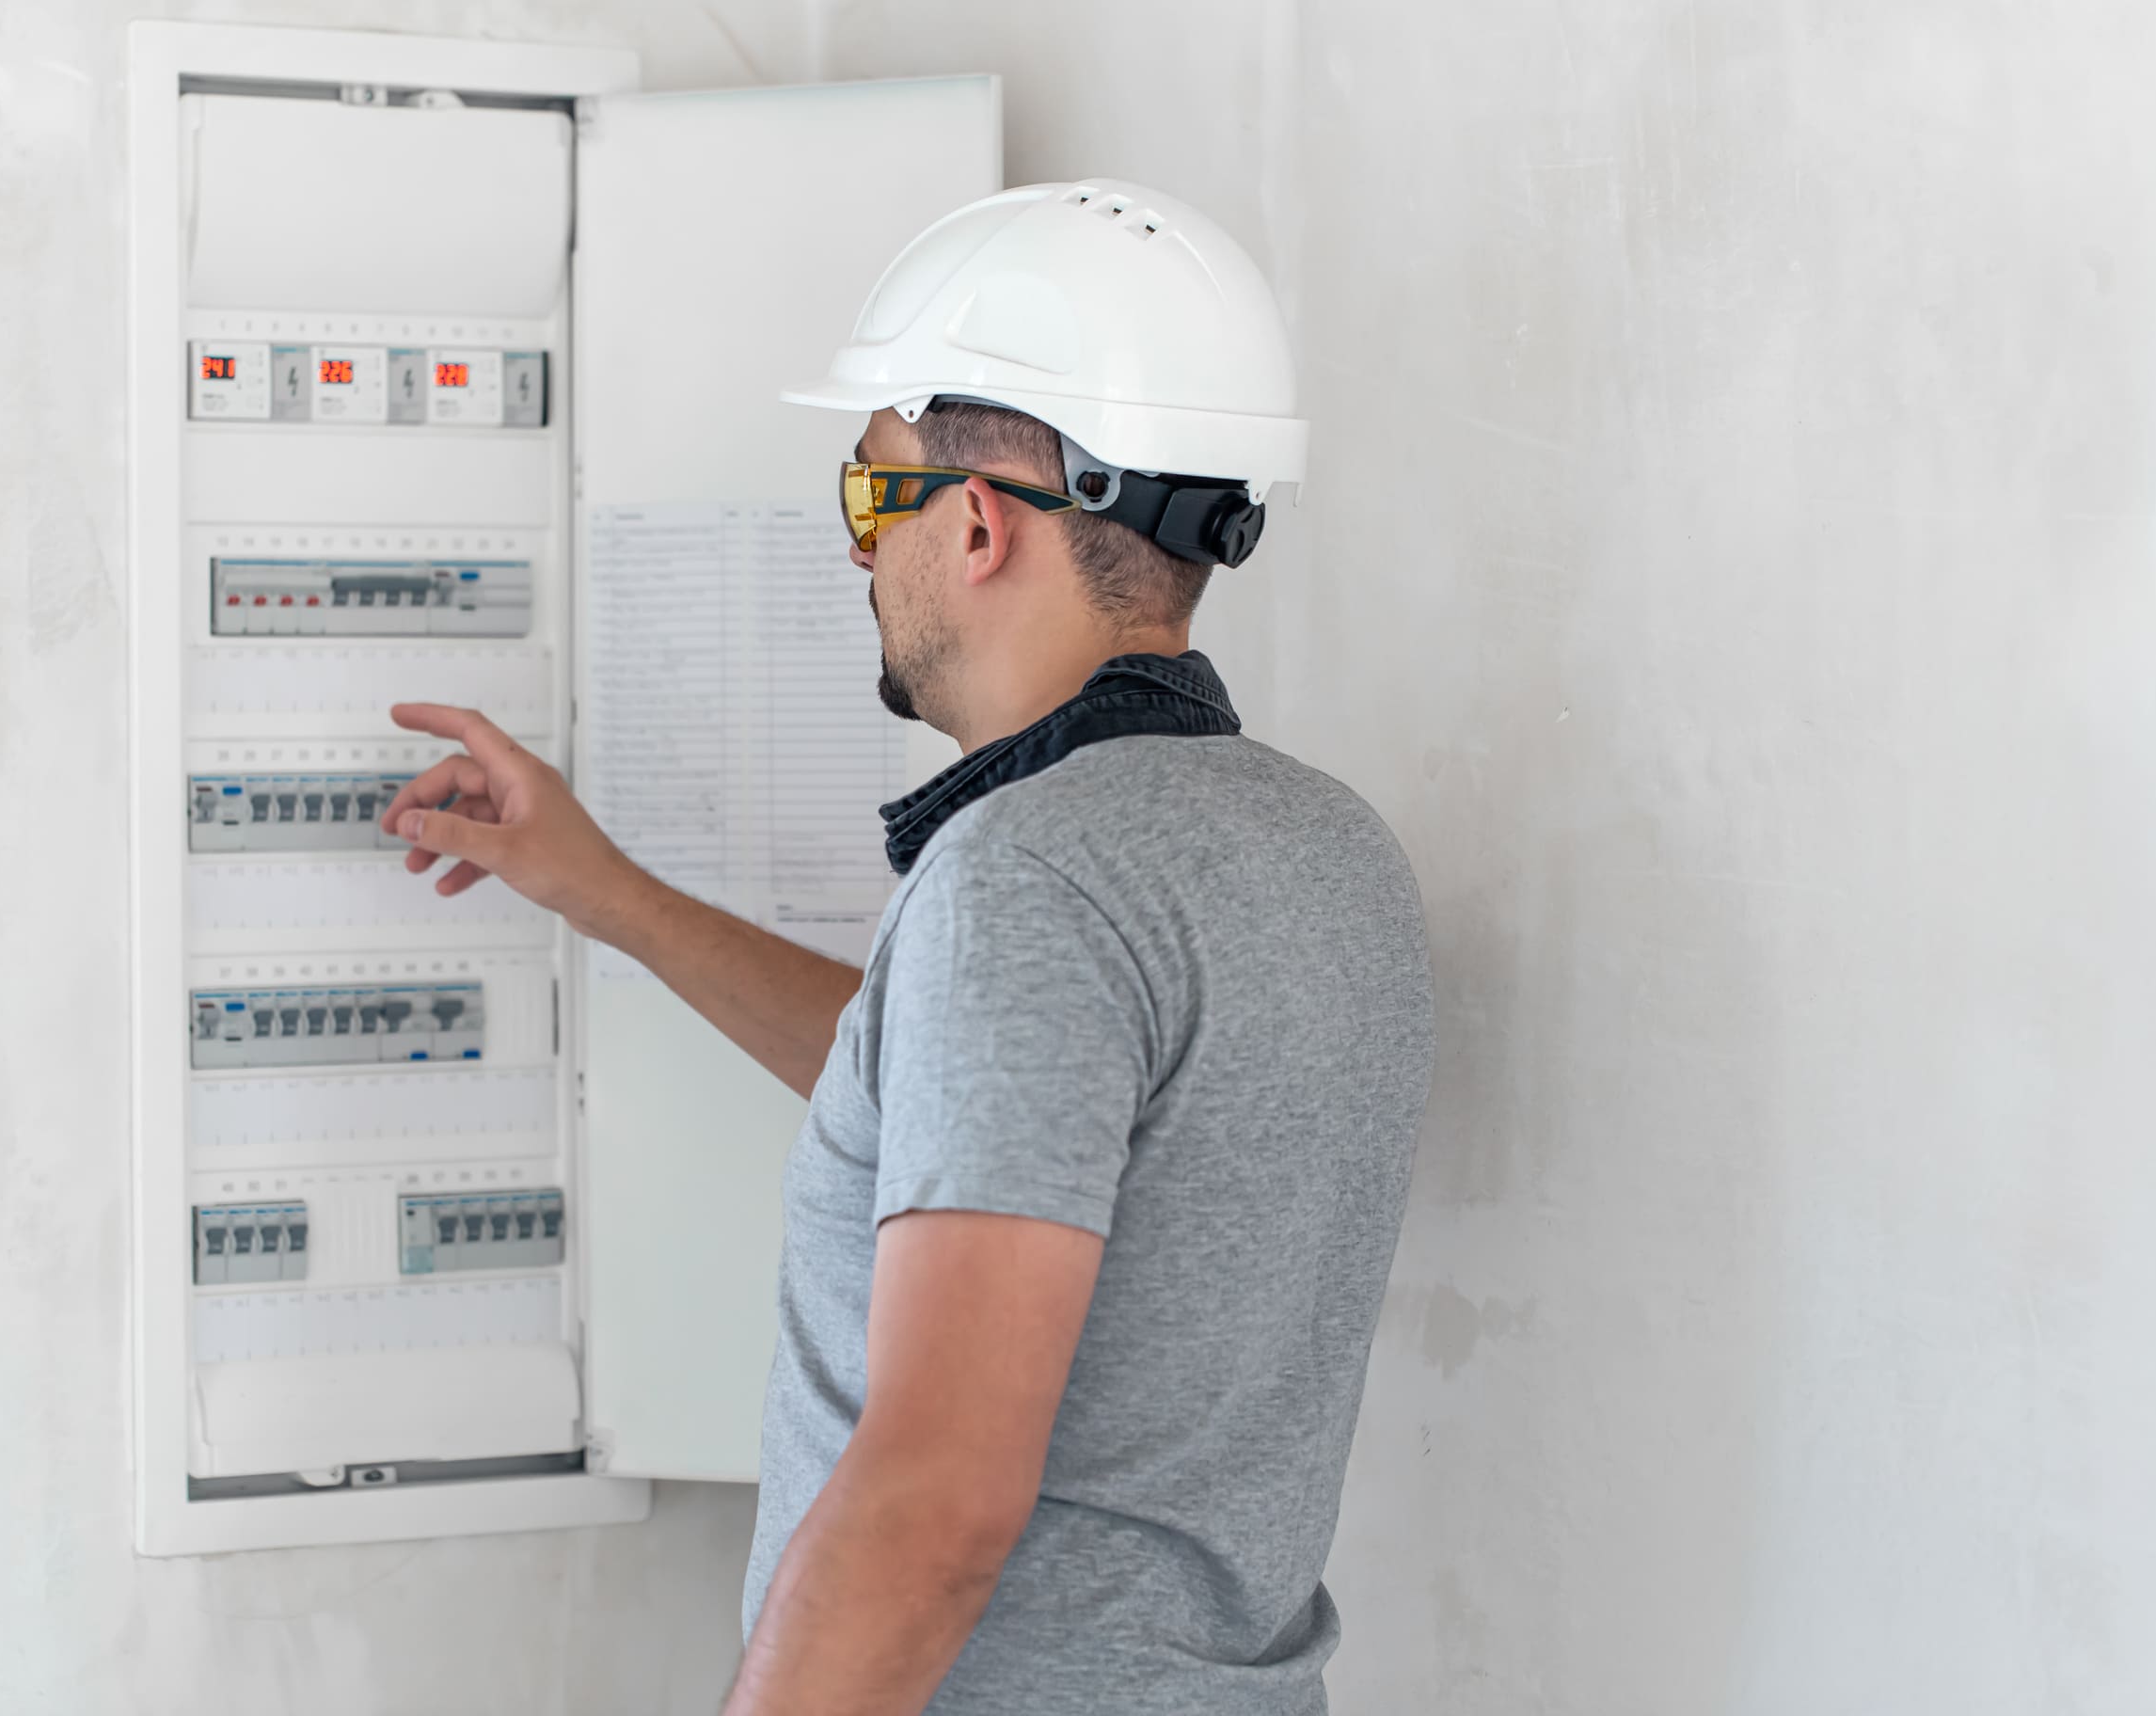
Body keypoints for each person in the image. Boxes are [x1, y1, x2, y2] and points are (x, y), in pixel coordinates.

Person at [382, 180, 1434, 1716]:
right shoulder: (1330, 853)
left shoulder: (1034, 881)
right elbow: (969, 1106)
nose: (860, 554)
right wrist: (598, 885)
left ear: (983, 524)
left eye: (873, 498)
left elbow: (935, 1507)